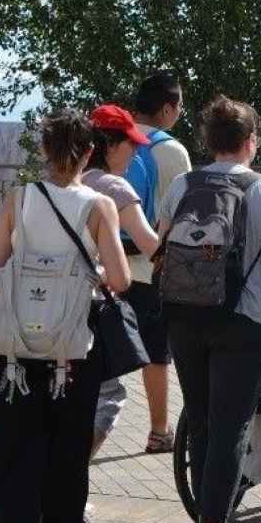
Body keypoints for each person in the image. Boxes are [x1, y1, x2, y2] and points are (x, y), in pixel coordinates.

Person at [0, 109, 131, 523]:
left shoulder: (19, 199)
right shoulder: (98, 205)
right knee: (67, 453)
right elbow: (120, 278)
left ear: (44, 151)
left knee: (17, 454)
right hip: (74, 350)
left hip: (18, 353)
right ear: (90, 152)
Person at [156, 96, 261, 523]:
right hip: (244, 322)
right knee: (231, 425)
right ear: (250, 142)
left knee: (200, 419)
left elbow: (162, 251)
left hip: (182, 317)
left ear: (208, 142)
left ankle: (206, 517)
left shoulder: (182, 184)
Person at [79, 104, 160, 458]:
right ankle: (68, 485)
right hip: (90, 306)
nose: (136, 149)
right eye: (130, 142)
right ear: (109, 145)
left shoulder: (60, 182)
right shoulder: (114, 187)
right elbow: (150, 247)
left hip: (46, 307)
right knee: (108, 397)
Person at [124, 72, 191, 454]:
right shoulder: (172, 152)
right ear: (167, 108)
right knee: (155, 351)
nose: (180, 113)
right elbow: (183, 214)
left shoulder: (113, 141)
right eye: (179, 106)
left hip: (110, 266)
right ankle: (158, 430)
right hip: (154, 267)